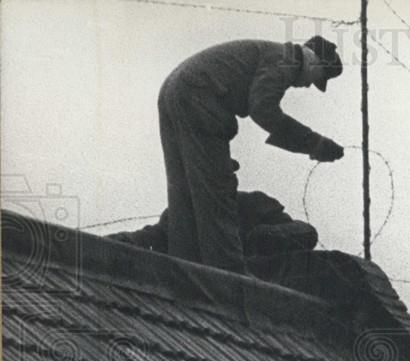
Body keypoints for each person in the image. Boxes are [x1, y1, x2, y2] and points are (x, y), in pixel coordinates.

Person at [157, 36, 344, 274]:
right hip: (199, 96)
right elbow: (263, 109)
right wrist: (315, 143)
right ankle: (230, 279)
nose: (307, 86)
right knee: (216, 192)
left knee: (185, 194)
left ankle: (184, 272)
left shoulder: (275, 55)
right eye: (316, 80)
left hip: (175, 90)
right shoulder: (286, 60)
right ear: (314, 64)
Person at [108, 187, 319, 258]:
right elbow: (148, 237)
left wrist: (263, 237)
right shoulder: (184, 215)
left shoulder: (251, 204)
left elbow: (306, 232)